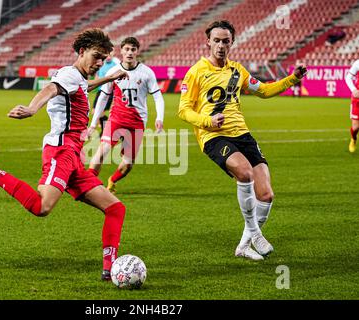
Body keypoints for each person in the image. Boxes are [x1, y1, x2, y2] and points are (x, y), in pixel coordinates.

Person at [0, 28, 129, 281]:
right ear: (81, 51)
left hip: (74, 156)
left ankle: (110, 270)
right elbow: (51, 89)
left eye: (103, 59)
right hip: (61, 151)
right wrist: (32, 108)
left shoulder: (77, 77)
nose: (100, 63)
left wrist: (109, 78)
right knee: (41, 207)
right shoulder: (67, 74)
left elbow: (83, 86)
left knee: (115, 208)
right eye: (96, 56)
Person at [178, 20, 307, 260]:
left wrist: (292, 79)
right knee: (245, 173)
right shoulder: (196, 71)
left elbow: (265, 91)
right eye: (216, 40)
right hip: (214, 136)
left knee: (266, 195)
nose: (220, 45)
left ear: (232, 43)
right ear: (208, 42)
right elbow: (183, 110)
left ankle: (244, 245)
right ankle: (256, 234)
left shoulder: (238, 70)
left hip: (243, 134)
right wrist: (207, 121)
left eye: (225, 41)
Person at [87, 37, 165, 194]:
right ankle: (88, 184)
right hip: (116, 119)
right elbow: (102, 98)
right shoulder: (112, 73)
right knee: (103, 151)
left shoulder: (146, 72)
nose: (130, 52)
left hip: (137, 123)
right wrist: (93, 124)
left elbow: (157, 96)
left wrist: (159, 118)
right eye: (127, 49)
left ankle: (112, 180)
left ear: (137, 51)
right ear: (121, 51)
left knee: (128, 164)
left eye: (133, 49)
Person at [92, 49, 120, 135]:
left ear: (113, 54)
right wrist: (95, 84)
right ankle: (105, 127)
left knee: (101, 112)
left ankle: (106, 130)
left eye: (110, 53)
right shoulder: (101, 63)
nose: (108, 55)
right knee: (94, 111)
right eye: (106, 54)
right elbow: (97, 74)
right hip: (100, 90)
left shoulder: (116, 64)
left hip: (108, 91)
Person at [345, 59, 359, 153]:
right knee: (355, 127)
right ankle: (353, 139)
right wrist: (354, 90)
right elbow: (348, 77)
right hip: (357, 99)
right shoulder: (358, 62)